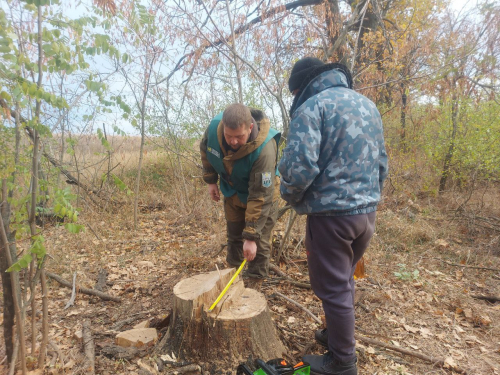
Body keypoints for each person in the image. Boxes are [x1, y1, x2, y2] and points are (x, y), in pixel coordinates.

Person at [279, 57, 388, 375]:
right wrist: (370, 198)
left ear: (299, 87)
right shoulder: (368, 105)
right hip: (366, 216)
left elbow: (299, 169)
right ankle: (335, 335)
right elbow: (382, 163)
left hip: (331, 218)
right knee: (344, 280)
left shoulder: (311, 108)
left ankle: (342, 362)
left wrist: (289, 194)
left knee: (335, 287)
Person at [200, 103, 281, 289]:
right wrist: (211, 179)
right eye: (229, 136)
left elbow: (260, 197)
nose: (233, 142)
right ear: (223, 127)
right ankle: (232, 279)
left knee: (258, 243)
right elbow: (206, 149)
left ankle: (254, 285)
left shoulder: (265, 150)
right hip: (233, 190)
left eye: (239, 137)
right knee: (234, 236)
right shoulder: (214, 129)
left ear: (250, 128)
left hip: (261, 197)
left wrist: (251, 237)